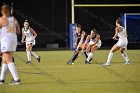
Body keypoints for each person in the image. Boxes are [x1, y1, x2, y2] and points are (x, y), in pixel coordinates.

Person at [0, 4, 21, 85]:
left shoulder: (1, 19)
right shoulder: (13, 19)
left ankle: (17, 79)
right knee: (5, 60)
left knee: (8, 59)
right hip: (13, 41)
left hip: (6, 41)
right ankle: (1, 79)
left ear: (2, 11)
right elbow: (18, 31)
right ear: (8, 11)